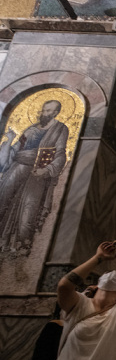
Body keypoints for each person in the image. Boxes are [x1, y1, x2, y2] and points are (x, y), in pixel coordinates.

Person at [0, 100, 69, 253]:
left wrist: (47, 170)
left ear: (55, 113)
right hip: (16, 168)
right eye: (43, 110)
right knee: (3, 199)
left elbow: (60, 154)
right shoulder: (30, 128)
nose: (43, 113)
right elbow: (16, 150)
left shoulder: (59, 129)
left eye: (48, 111)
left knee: (28, 212)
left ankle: (19, 246)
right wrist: (10, 140)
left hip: (37, 174)